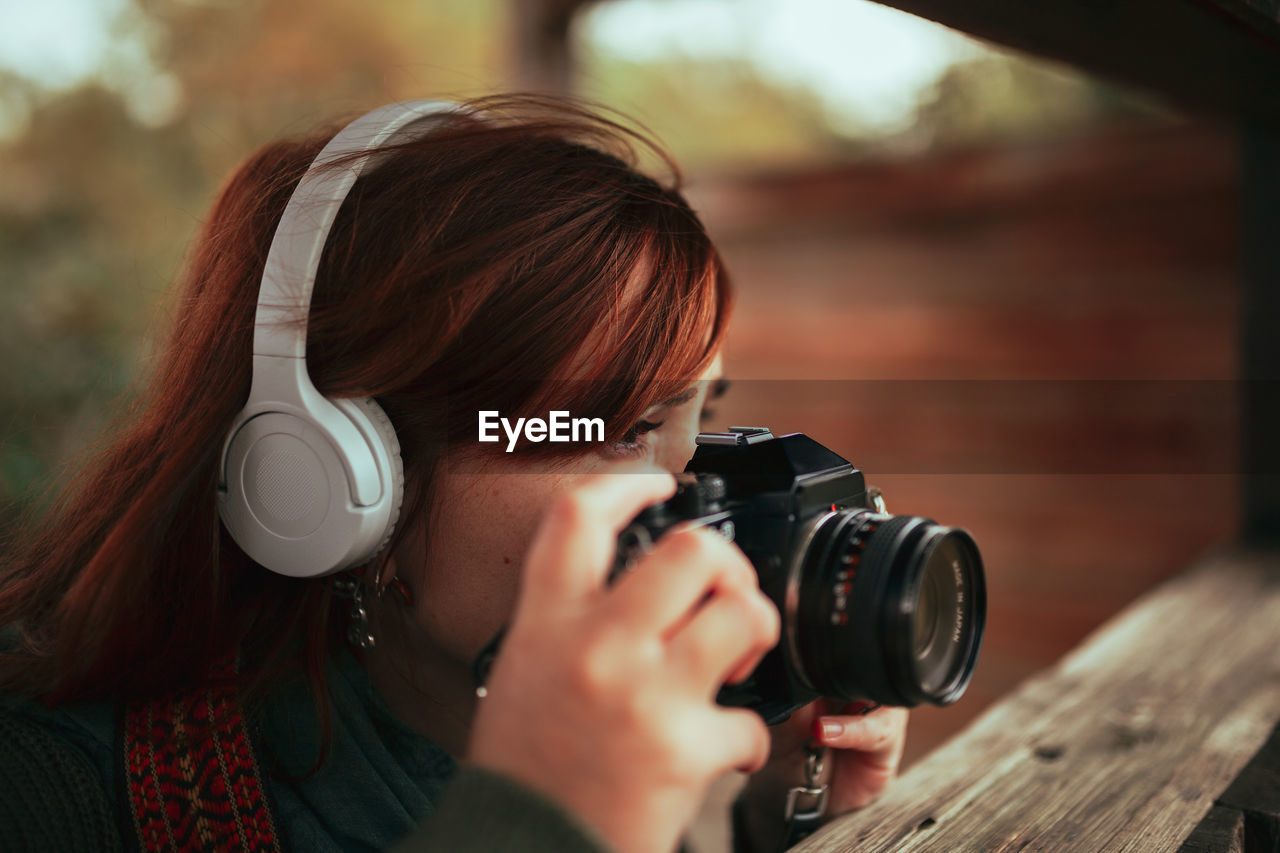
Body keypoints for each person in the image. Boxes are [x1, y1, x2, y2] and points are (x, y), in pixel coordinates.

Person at [0, 94, 907, 853]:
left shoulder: (633, 749)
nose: (695, 498)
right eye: (622, 428)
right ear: (339, 476)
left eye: (696, 418)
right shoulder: (52, 795)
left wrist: (793, 811)